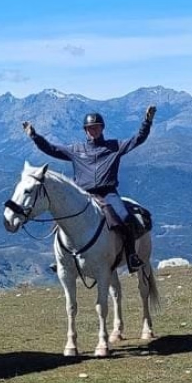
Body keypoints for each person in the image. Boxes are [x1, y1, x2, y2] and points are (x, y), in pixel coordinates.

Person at [22, 106, 157, 271]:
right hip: (83, 194)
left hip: (107, 194)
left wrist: (147, 122)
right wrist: (34, 136)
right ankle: (62, 260)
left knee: (124, 217)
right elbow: (51, 149)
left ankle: (131, 255)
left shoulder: (114, 146)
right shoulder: (76, 150)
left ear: (102, 128)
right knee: (62, 221)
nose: (93, 130)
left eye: (96, 127)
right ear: (85, 130)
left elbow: (138, 139)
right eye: (90, 128)